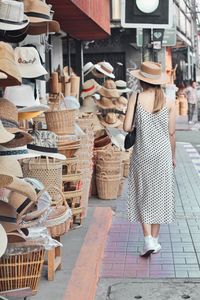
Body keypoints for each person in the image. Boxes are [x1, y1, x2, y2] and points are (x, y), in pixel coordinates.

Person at [123, 61, 176, 257]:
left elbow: (127, 127)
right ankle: (154, 240)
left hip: (142, 155)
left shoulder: (135, 98)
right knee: (160, 195)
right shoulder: (169, 101)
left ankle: (148, 239)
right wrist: (174, 157)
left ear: (141, 80)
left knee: (142, 194)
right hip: (163, 155)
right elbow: (171, 133)